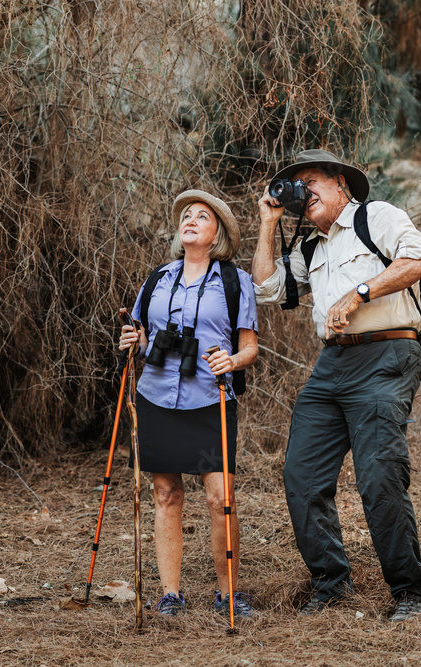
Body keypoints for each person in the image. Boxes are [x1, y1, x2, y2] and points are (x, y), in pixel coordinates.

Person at [251, 149, 421, 622]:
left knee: (378, 476)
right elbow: (267, 290)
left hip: (387, 353)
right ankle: (331, 584)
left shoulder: (377, 217)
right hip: (331, 364)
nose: (303, 192)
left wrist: (360, 293)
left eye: (309, 181)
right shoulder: (311, 246)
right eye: (296, 186)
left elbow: (419, 260)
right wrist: (269, 224)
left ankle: (411, 589)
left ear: (340, 184)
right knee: (302, 474)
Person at [118, 190, 258, 619]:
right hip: (157, 396)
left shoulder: (235, 283)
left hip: (209, 399)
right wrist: (133, 341)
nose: (191, 220)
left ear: (217, 234)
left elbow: (249, 347)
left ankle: (228, 593)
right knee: (165, 492)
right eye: (186, 216)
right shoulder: (158, 278)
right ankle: (170, 594)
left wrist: (231, 360)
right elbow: (141, 337)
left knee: (220, 497)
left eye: (202, 216)